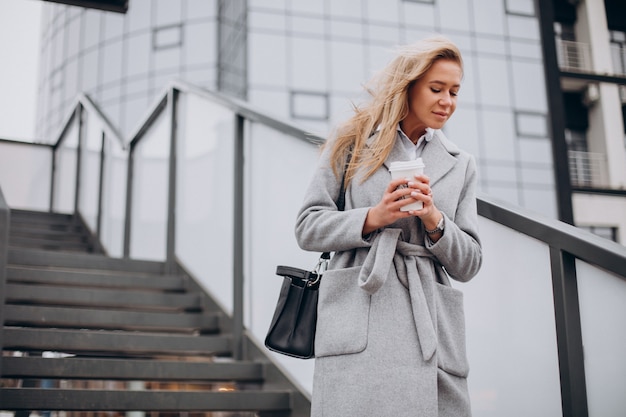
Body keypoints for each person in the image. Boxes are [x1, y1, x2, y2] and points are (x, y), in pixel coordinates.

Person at [295, 35, 482, 417]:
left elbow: (470, 263)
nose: (447, 101)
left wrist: (434, 220)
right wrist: (373, 217)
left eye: (455, 91)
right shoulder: (351, 143)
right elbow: (308, 227)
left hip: (428, 324)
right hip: (359, 312)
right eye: (436, 89)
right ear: (409, 86)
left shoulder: (460, 163)